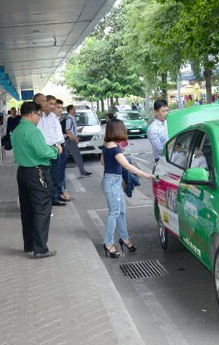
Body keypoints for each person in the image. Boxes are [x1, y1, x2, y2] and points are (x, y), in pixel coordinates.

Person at [12, 101, 61, 259]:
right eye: (39, 115)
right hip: (37, 172)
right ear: (32, 113)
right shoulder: (33, 131)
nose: (39, 118)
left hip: (23, 172)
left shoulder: (17, 130)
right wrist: (55, 150)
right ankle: (40, 248)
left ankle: (29, 245)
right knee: (41, 210)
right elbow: (42, 151)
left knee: (27, 211)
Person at [100, 120, 153, 258]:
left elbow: (102, 162)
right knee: (114, 213)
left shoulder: (106, 146)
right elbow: (127, 166)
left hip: (111, 180)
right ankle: (108, 243)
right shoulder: (115, 148)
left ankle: (124, 238)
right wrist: (146, 175)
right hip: (112, 182)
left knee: (121, 211)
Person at [33, 93, 67, 206]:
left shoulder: (52, 117)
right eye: (47, 103)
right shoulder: (37, 117)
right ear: (39, 104)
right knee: (50, 176)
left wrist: (59, 145)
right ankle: (51, 198)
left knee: (57, 175)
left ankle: (56, 196)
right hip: (48, 149)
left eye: (51, 104)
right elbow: (42, 136)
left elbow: (54, 133)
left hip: (57, 147)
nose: (50, 106)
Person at [63, 105, 92, 177]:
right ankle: (82, 172)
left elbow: (71, 129)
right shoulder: (69, 119)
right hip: (70, 140)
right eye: (74, 109)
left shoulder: (71, 118)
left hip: (70, 139)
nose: (75, 110)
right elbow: (67, 130)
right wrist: (74, 138)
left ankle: (82, 171)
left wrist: (77, 130)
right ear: (70, 110)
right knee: (76, 156)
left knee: (66, 155)